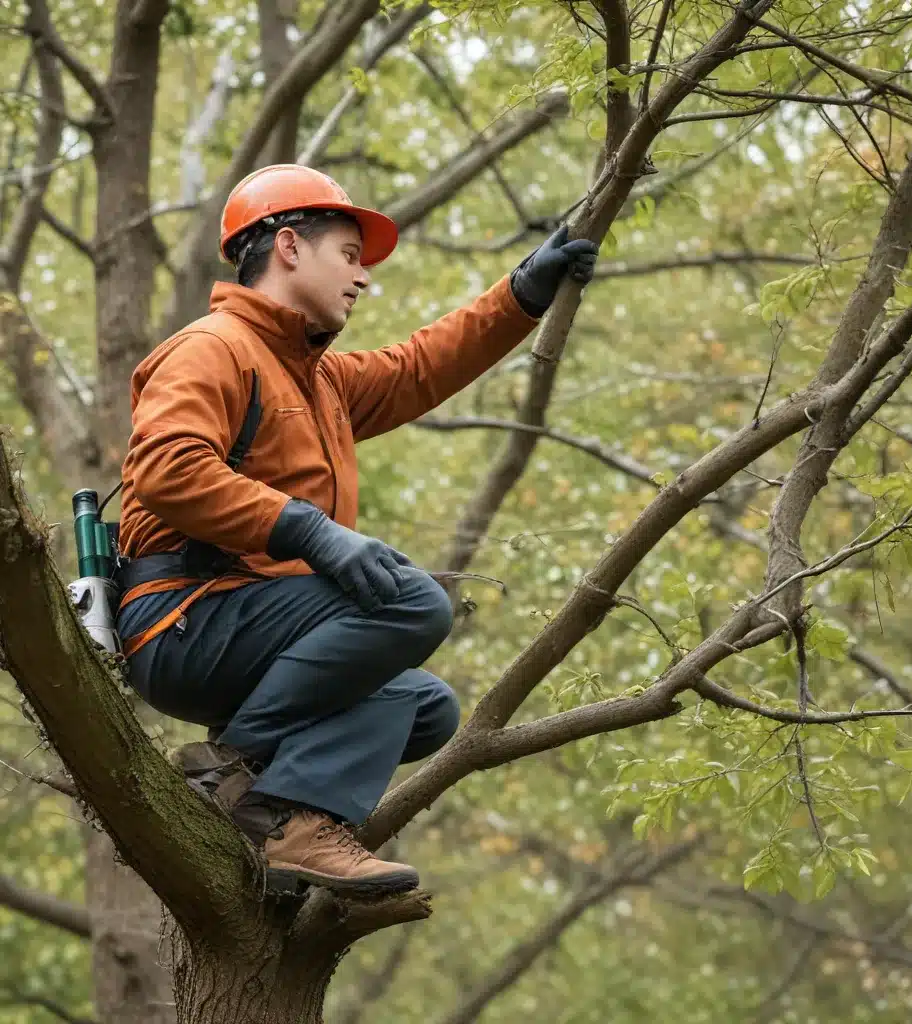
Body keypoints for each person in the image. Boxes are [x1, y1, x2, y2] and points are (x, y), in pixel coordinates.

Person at [114, 164, 599, 896]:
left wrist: (522, 292)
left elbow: (419, 367)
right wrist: (310, 532)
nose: (362, 278)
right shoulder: (213, 347)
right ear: (286, 246)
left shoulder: (320, 381)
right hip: (185, 617)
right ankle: (246, 781)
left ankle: (280, 828)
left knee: (423, 706)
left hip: (253, 628)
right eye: (349, 255)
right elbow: (166, 469)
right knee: (409, 601)